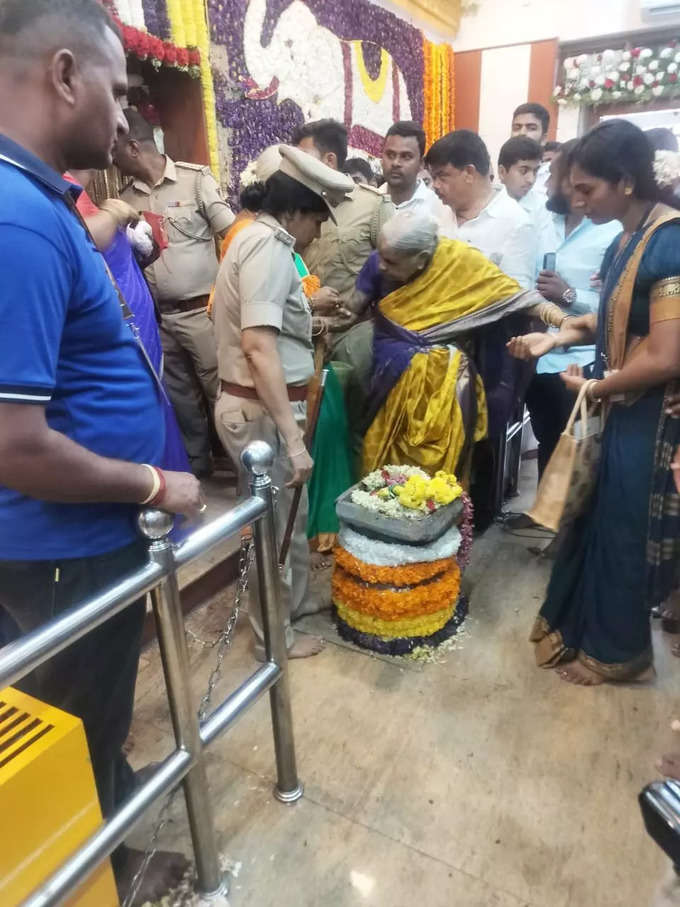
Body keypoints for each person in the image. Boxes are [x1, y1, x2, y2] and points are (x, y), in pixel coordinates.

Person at [0, 1, 201, 901]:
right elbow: (14, 445)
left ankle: (105, 851)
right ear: (64, 73)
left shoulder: (36, 200)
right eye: (118, 92)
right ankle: (91, 877)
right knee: (74, 719)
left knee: (86, 714)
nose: (125, 118)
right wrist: (157, 478)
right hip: (59, 549)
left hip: (66, 543)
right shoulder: (21, 220)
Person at [508, 119, 680, 685]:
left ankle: (620, 653)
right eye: (573, 188)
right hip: (619, 403)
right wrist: (554, 338)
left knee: (625, 527)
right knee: (597, 518)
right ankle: (589, 632)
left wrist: (595, 389)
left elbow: (665, 356)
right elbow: (606, 318)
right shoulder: (627, 236)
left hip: (649, 416)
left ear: (626, 181)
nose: (576, 200)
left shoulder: (669, 241)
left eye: (588, 190)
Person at [212, 145, 354, 658]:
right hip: (260, 414)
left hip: (264, 407)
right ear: (296, 209)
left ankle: (289, 607)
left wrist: (311, 324)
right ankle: (274, 640)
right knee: (270, 533)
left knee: (286, 521)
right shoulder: (269, 247)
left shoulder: (253, 239)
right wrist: (294, 441)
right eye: (318, 217)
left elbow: (270, 327)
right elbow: (257, 346)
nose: (318, 231)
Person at [362, 211, 573, 479]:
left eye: (390, 261)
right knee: (382, 472)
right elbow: (354, 308)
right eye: (380, 255)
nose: (380, 266)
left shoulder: (460, 264)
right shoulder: (381, 265)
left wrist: (562, 319)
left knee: (436, 480)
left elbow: (518, 299)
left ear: (421, 260)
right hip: (385, 384)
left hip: (445, 394)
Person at [115, 109, 235, 478]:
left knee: (222, 392)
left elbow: (231, 235)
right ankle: (197, 468)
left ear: (134, 147)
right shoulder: (125, 199)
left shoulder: (195, 181)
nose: (112, 157)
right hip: (161, 319)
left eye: (117, 149)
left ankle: (241, 465)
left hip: (204, 313)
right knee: (180, 397)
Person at [66, 169, 190, 473]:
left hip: (136, 327)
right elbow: (80, 239)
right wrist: (112, 215)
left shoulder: (72, 190)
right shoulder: (54, 188)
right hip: (116, 337)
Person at [294, 119, 395, 453]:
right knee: (313, 433)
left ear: (330, 161)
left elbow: (397, 273)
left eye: (303, 156)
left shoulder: (372, 206)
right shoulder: (294, 207)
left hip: (356, 343)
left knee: (358, 431)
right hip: (304, 337)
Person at [522, 140, 620, 478]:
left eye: (555, 177)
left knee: (578, 447)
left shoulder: (613, 230)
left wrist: (568, 295)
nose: (548, 185)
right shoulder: (541, 223)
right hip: (539, 355)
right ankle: (543, 514)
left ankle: (569, 521)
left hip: (582, 359)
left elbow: (614, 306)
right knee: (547, 438)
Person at [426, 130, 535, 289]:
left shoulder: (516, 224)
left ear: (469, 173)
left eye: (442, 176)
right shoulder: (437, 208)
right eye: (433, 178)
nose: (435, 185)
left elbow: (515, 299)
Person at [380, 120, 456, 236]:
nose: (395, 163)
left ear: (421, 163)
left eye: (406, 156)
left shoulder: (438, 208)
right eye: (390, 155)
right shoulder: (369, 202)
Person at [498, 135, 555, 272]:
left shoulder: (542, 207)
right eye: (523, 171)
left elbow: (545, 256)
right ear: (502, 172)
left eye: (535, 171)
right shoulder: (489, 203)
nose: (531, 179)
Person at [511, 102, 551, 193]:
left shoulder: (552, 176)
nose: (522, 133)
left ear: (544, 138)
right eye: (517, 128)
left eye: (531, 128)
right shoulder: (504, 168)